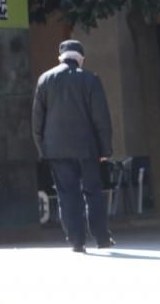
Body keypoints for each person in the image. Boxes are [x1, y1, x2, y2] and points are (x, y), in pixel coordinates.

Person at [32, 38, 114, 252]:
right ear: (81, 59)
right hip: (87, 148)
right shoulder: (90, 79)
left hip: (56, 150)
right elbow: (101, 118)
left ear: (60, 57)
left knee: (67, 194)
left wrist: (43, 149)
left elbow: (37, 121)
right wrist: (105, 150)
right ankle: (102, 237)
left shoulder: (45, 79)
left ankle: (76, 241)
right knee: (93, 192)